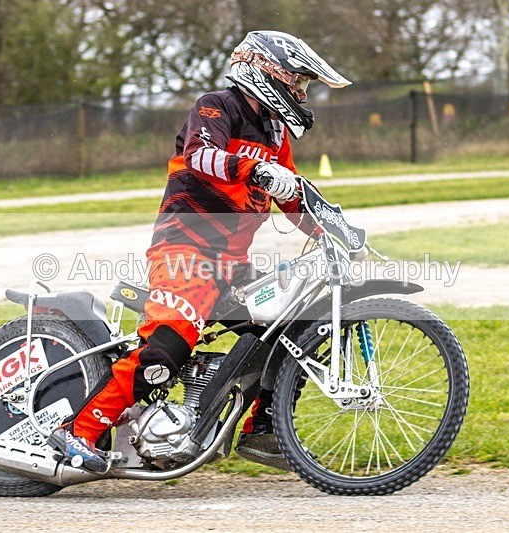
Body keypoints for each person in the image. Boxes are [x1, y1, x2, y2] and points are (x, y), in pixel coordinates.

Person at [49, 30, 351, 473]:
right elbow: (200, 157)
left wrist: (331, 230)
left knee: (289, 325)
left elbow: (290, 196)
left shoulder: (275, 131)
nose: (301, 94)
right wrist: (258, 170)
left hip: (231, 265)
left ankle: (264, 428)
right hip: (184, 251)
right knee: (166, 349)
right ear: (265, 72)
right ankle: (77, 432)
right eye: (296, 83)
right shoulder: (216, 107)